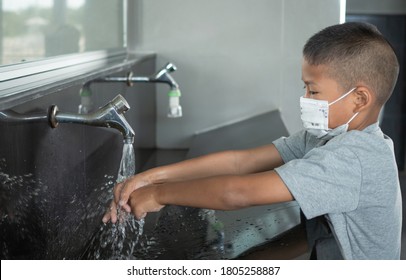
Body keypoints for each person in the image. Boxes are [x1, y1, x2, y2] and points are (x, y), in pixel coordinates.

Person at [102, 22, 402, 260]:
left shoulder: (355, 157)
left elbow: (237, 193)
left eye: (313, 91)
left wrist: (159, 195)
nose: (305, 99)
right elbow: (240, 162)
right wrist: (147, 179)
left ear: (359, 99)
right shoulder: (324, 137)